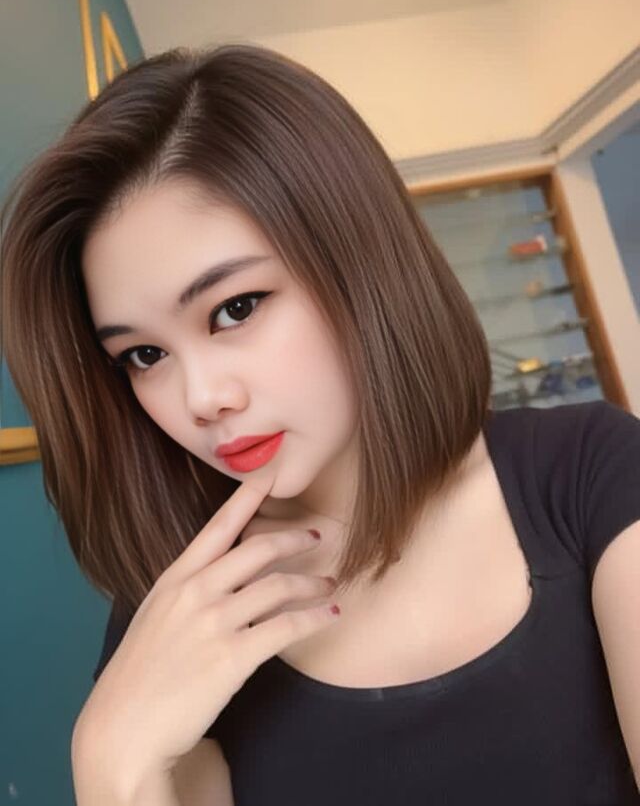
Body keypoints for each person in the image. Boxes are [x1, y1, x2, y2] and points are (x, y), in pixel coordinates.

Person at [1, 43, 639, 806]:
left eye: (235, 308)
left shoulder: (592, 475)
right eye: (144, 355)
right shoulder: (182, 615)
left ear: (360, 262)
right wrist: (109, 764)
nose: (201, 398)